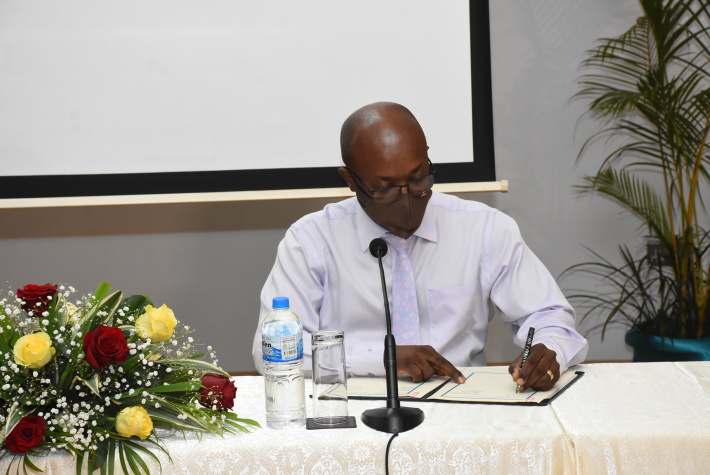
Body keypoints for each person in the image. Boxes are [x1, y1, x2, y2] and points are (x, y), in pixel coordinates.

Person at [252, 102, 588, 391]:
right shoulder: (311, 240)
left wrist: (549, 348)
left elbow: (547, 314)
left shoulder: (484, 228)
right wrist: (382, 358)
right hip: (351, 407)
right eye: (384, 189)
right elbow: (273, 353)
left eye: (418, 180)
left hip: (462, 403)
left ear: (428, 161)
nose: (407, 203)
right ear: (350, 181)